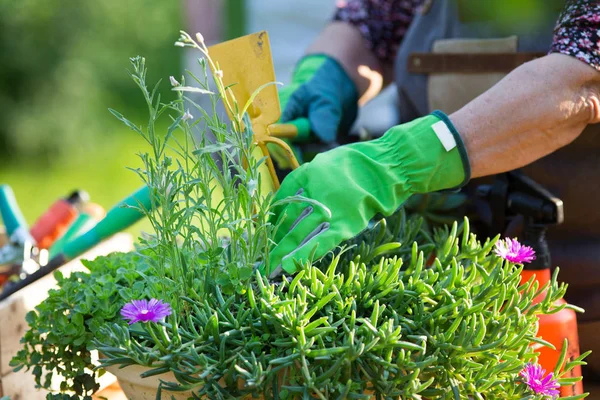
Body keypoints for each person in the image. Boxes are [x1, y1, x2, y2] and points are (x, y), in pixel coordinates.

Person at [267, 0, 600, 377]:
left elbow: (578, 80)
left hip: (580, 316)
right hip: (447, 326)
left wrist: (400, 159)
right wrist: (324, 73)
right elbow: (377, 19)